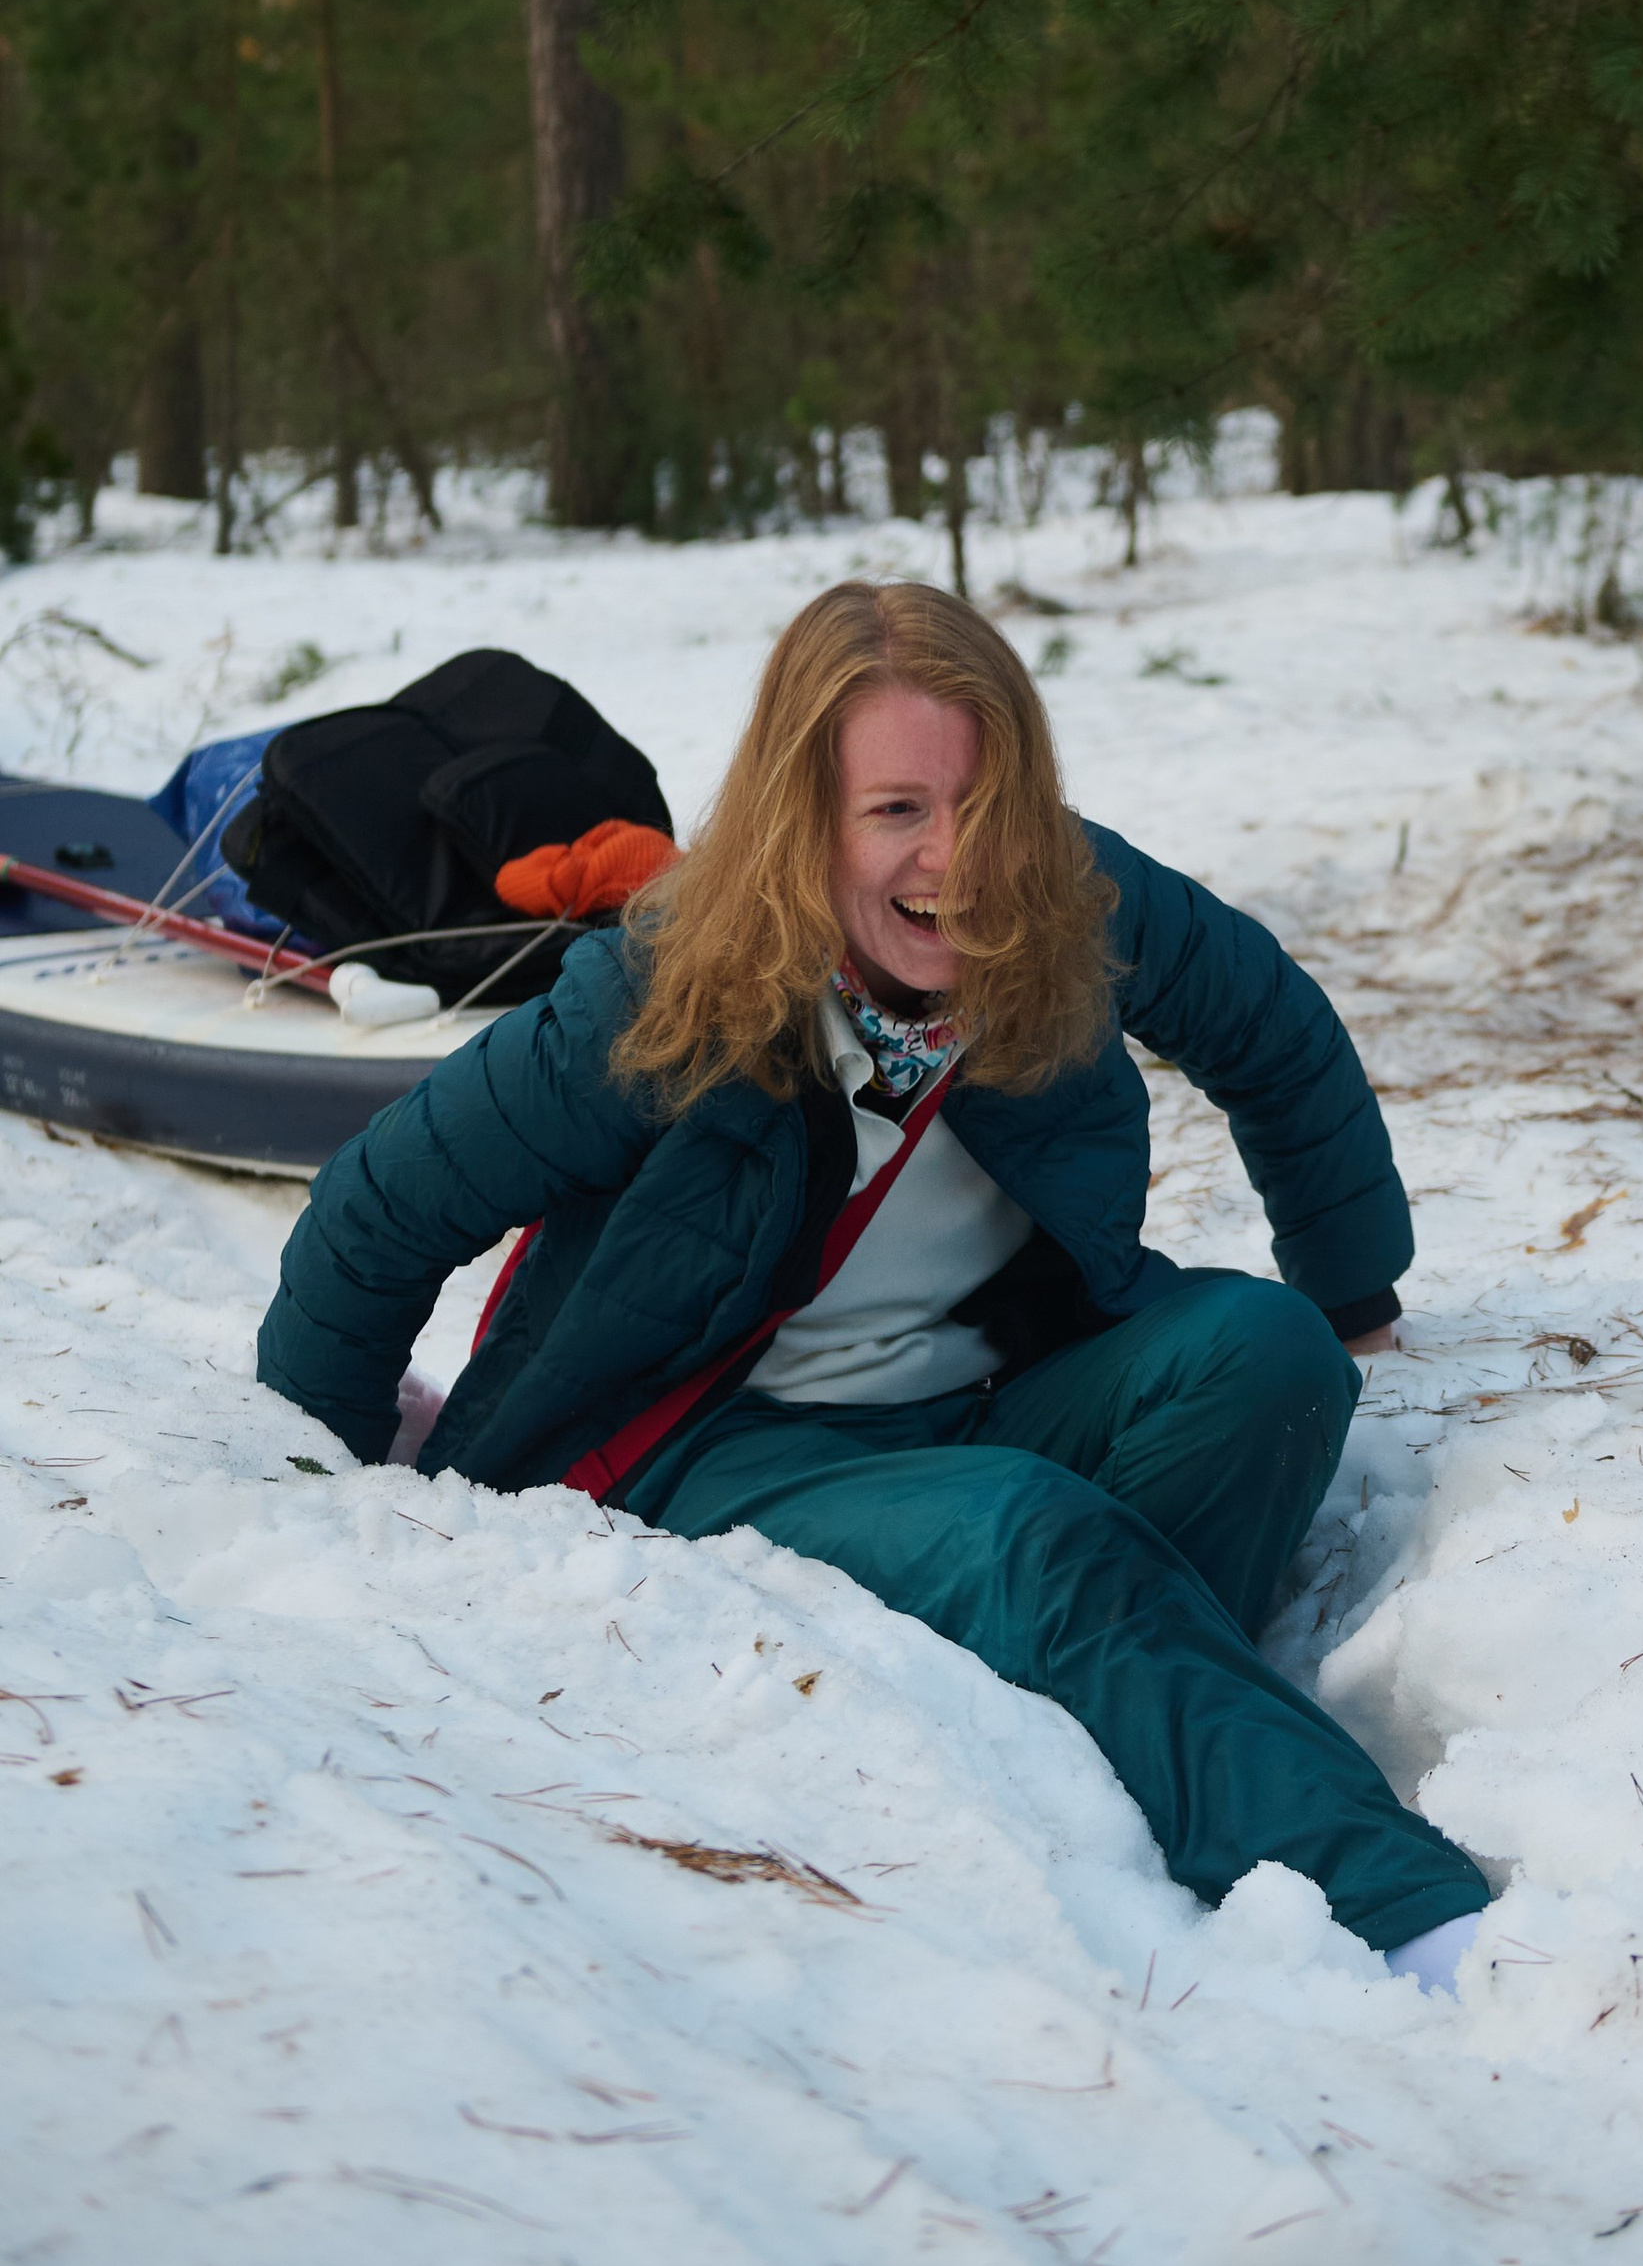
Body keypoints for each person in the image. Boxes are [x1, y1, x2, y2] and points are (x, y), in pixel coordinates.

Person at [258, 580, 1491, 1989]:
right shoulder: (655, 996)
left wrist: (1351, 1293)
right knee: (1041, 1543)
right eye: (896, 809)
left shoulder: (1075, 902)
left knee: (1267, 1356)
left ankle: (1107, 1722)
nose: (954, 859)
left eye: (985, 802)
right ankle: (1408, 1915)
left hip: (986, 1394)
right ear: (806, 820)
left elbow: (1271, 1029)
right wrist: (324, 1484)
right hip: (718, 1447)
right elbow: (377, 1209)